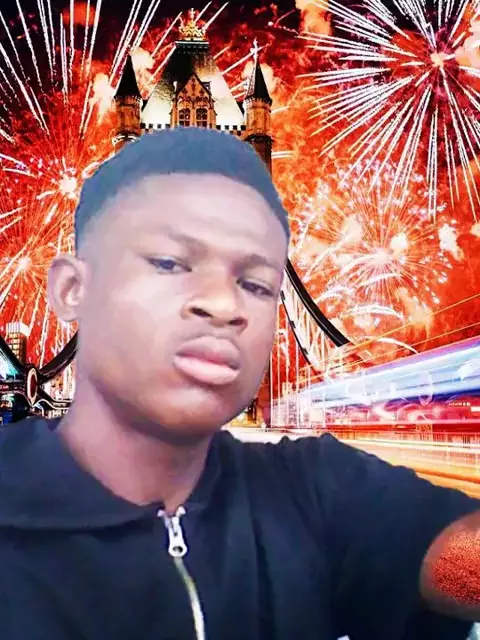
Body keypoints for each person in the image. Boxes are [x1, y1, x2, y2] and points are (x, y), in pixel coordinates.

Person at [0, 128, 478, 640]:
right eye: (169, 263)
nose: (225, 305)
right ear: (72, 289)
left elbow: (455, 562)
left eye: (255, 285)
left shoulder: (312, 490)